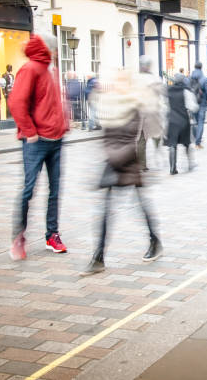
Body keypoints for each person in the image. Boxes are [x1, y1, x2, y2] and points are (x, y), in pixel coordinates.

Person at [82, 69, 162, 276]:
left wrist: (113, 157)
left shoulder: (135, 106)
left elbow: (132, 139)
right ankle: (98, 257)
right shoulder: (109, 105)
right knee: (106, 212)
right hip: (113, 161)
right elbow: (106, 137)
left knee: (140, 206)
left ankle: (155, 241)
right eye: (115, 81)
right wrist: (109, 156)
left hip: (128, 161)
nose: (117, 85)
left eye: (121, 82)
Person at [9, 33, 69, 260]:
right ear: (49, 49)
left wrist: (64, 124)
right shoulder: (31, 68)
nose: (55, 54)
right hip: (36, 141)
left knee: (55, 190)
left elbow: (53, 102)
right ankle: (18, 237)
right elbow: (16, 102)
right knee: (29, 189)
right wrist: (30, 132)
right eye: (54, 50)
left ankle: (52, 234)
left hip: (56, 140)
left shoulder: (52, 70)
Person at [136, 56, 166, 171]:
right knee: (157, 134)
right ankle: (158, 154)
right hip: (153, 111)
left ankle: (142, 164)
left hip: (139, 112)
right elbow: (163, 93)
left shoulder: (135, 79)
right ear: (149, 66)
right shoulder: (155, 79)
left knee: (141, 139)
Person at [166, 73, 193, 175]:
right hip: (183, 120)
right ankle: (190, 164)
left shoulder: (168, 90)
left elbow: (164, 106)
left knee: (172, 144)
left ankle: (172, 168)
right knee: (186, 142)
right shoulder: (185, 91)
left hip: (172, 120)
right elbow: (192, 106)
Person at [190, 62, 207, 149]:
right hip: (202, 103)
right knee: (200, 123)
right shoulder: (204, 79)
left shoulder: (190, 78)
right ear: (201, 67)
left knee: (195, 122)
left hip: (192, 102)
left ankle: (196, 139)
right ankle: (197, 142)